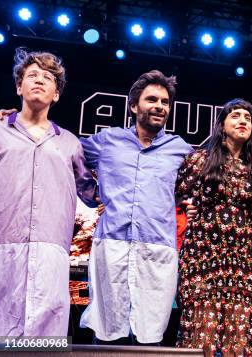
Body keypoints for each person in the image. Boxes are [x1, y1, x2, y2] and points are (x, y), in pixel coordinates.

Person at [78, 70, 194, 344]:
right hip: (112, 243)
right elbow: (67, 153)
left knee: (149, 335)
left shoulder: (179, 149)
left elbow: (201, 182)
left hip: (157, 247)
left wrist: (185, 204)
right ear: (134, 106)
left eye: (165, 102)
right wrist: (91, 193)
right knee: (107, 331)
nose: (159, 106)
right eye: (152, 99)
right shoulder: (108, 141)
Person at [0, 48, 97, 336]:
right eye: (32, 75)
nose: (39, 80)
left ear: (56, 94)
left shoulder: (71, 144)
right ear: (19, 87)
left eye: (48, 77)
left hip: (51, 253)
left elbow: (91, 195)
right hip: (2, 250)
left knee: (46, 341)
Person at [175, 99, 252, 356]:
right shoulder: (200, 161)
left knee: (238, 337)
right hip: (203, 256)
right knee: (201, 331)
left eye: (247, 118)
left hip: (242, 260)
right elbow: (172, 195)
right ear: (222, 126)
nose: (242, 121)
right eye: (235, 116)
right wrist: (188, 207)